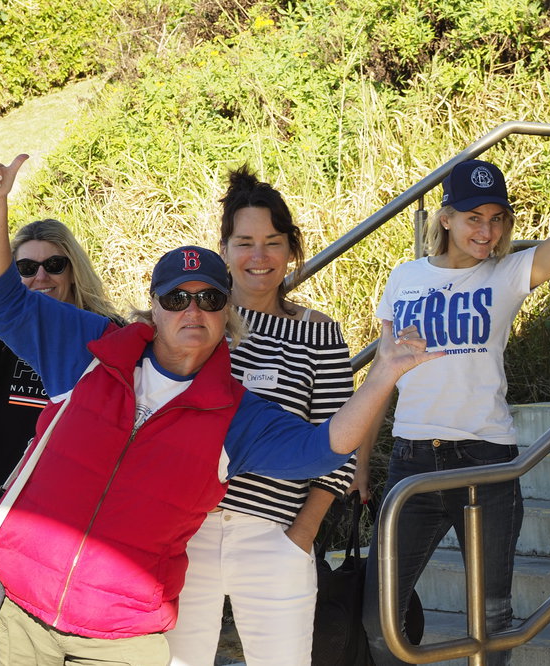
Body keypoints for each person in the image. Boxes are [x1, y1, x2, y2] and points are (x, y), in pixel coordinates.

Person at [0, 153, 440, 666]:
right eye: (176, 299)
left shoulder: (234, 415)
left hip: (121, 626)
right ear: (152, 306)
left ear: (227, 314)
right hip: (21, 604)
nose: (192, 310)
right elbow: (2, 301)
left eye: (209, 299)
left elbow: (322, 449)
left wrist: (381, 376)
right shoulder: (90, 350)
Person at [361, 113, 550, 666]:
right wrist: (359, 466)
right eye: (473, 218)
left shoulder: (507, 274)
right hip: (411, 461)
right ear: (446, 218)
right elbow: (379, 379)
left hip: (486, 461)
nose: (486, 231)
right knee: (378, 615)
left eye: (497, 219)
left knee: (491, 623)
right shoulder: (404, 279)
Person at [167, 166, 365, 665]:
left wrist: (301, 535)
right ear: (224, 250)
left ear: (292, 249)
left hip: (274, 532)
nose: (259, 257)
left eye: (273, 242)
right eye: (245, 243)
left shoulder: (319, 334)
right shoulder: (199, 318)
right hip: (186, 531)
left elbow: (340, 442)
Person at [0, 219, 122, 503]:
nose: (41, 276)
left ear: (73, 271)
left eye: (54, 265)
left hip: (73, 503)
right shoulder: (0, 335)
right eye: (26, 268)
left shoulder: (110, 335)